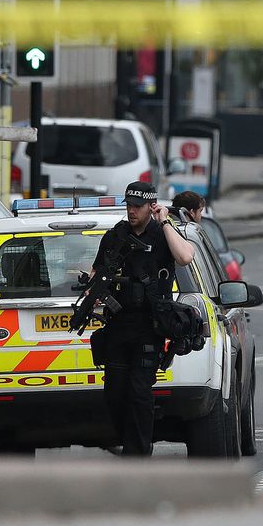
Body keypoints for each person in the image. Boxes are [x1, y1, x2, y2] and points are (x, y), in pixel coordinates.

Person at [92, 180, 194, 455]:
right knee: (114, 393)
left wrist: (166, 222)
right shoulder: (115, 236)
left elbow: (185, 257)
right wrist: (97, 290)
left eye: (138, 206)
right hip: (117, 324)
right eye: (129, 205)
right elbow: (96, 272)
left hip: (149, 325)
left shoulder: (162, 234)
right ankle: (127, 441)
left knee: (139, 393)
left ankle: (137, 455)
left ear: (152, 206)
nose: (132, 211)